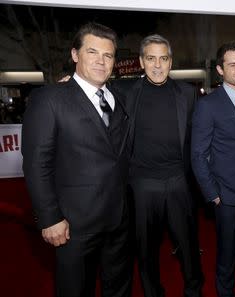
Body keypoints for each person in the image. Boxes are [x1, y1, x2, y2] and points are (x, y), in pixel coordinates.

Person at [22, 22, 133, 297]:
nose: (101, 61)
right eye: (92, 52)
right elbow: (36, 162)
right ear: (75, 55)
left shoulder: (120, 97)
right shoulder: (49, 98)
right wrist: (50, 218)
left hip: (118, 219)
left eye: (108, 55)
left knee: (118, 287)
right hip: (74, 224)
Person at [125, 34, 203, 297]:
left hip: (179, 182)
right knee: (146, 250)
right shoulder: (125, 93)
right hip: (142, 185)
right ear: (141, 62)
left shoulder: (188, 93)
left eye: (163, 58)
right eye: (151, 58)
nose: (157, 65)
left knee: (189, 246)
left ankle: (194, 291)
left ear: (171, 62)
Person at [191, 42, 235, 297]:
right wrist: (213, 193)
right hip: (226, 194)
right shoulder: (208, 105)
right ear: (220, 69)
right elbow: (198, 154)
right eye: (233, 64)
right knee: (226, 254)